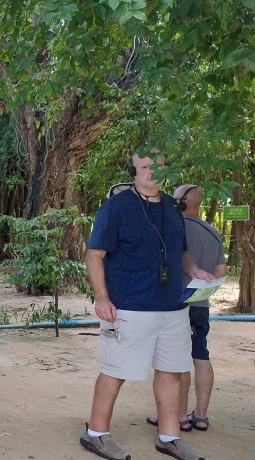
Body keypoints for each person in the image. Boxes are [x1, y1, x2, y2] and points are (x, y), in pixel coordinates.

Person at [79, 153, 214, 460]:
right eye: (145, 165)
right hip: (128, 307)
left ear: (167, 169)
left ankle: (169, 438)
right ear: (135, 170)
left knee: (171, 373)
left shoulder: (171, 206)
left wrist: (194, 271)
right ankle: (96, 434)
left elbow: (181, 253)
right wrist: (102, 297)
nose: (151, 170)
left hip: (172, 308)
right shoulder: (117, 207)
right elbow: (95, 255)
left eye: (158, 165)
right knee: (115, 371)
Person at [146, 185, 228, 432]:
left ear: (180, 202)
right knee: (200, 354)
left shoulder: (174, 228)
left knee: (175, 361)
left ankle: (178, 416)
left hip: (176, 303)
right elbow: (221, 273)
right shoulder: (213, 232)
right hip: (201, 304)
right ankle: (201, 416)